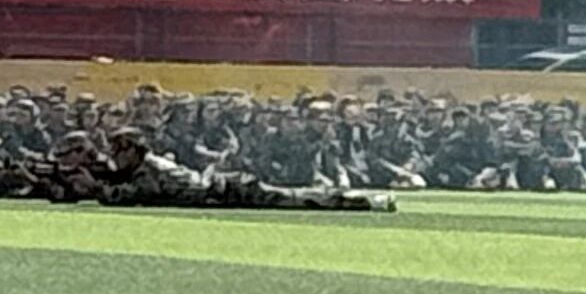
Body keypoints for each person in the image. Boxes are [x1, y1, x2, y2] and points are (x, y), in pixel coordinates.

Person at [91, 126, 394, 212]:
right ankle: (360, 200)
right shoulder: (147, 164)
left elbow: (134, 194)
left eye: (118, 151)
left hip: (227, 190)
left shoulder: (148, 168)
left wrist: (97, 186)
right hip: (224, 188)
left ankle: (365, 201)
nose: (116, 158)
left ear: (131, 149)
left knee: (297, 199)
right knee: (296, 196)